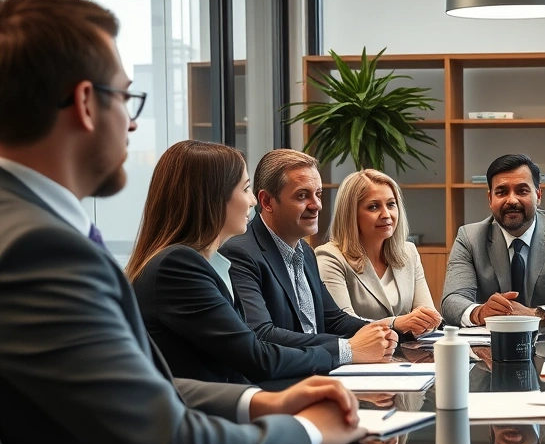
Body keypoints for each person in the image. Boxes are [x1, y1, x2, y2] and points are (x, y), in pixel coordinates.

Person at [0, 0, 382, 444]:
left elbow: (130, 389)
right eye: (127, 99)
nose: (132, 127)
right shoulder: (41, 250)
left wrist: (260, 402)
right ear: (85, 103)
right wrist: (305, 430)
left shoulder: (31, 230)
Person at [126, 141, 394, 384]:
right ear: (211, 199)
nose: (253, 201)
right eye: (245, 189)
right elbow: (257, 355)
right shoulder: (179, 266)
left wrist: (385, 332)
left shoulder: (204, 263)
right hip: (208, 423)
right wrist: (348, 350)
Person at [218, 150, 399, 365]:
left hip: (320, 374)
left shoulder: (306, 251)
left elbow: (333, 319)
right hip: (280, 386)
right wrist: (349, 347)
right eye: (302, 196)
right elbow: (262, 334)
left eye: (318, 194)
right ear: (267, 201)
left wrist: (390, 330)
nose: (317, 206)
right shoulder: (240, 253)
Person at [441, 154, 545, 327]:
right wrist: (480, 313)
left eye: (522, 191)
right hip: (490, 348)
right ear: (490, 199)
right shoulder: (469, 238)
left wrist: (533, 315)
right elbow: (451, 301)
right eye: (501, 192)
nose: (512, 200)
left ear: (538, 195)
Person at [314, 169, 442, 338]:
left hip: (410, 355)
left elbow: (428, 315)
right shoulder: (329, 257)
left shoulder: (409, 252)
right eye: (373, 207)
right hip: (359, 360)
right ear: (351, 214)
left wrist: (424, 320)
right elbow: (342, 324)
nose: (386, 214)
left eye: (391, 204)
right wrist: (396, 324)